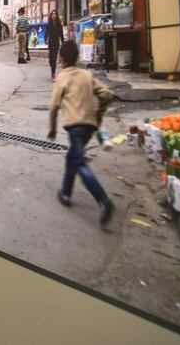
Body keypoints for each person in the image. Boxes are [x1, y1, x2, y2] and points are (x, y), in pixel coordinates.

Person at [47, 40, 115, 226]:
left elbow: (53, 106)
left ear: (61, 58)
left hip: (75, 127)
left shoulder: (62, 77)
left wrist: (52, 128)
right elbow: (106, 95)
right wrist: (99, 113)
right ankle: (66, 193)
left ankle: (103, 199)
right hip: (90, 126)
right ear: (77, 57)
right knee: (73, 158)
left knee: (80, 163)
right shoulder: (86, 75)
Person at [45, 10, 65, 81]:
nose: (53, 15)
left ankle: (53, 73)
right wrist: (45, 40)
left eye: (55, 14)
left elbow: (61, 35)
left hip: (56, 43)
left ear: (56, 16)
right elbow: (46, 33)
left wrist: (63, 42)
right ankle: (52, 69)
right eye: (52, 14)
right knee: (51, 59)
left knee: (54, 58)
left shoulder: (59, 24)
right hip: (50, 43)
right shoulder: (49, 24)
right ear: (51, 15)